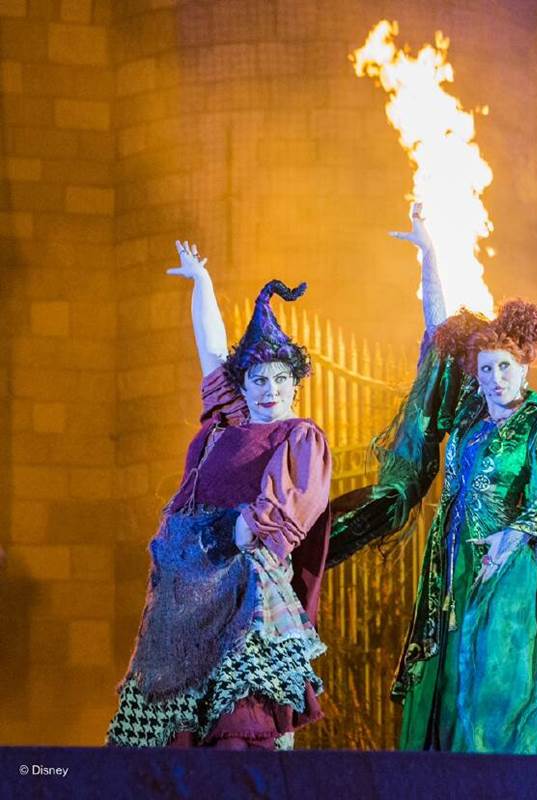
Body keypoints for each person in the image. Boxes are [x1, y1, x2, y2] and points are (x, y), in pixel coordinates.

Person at [328, 205, 537, 753]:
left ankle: (501, 783)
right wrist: (429, 255)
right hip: (454, 562)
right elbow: (439, 330)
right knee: (449, 679)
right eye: (486, 369)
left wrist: (513, 537)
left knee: (494, 684)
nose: (494, 378)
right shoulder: (469, 415)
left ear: (525, 368)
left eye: (505, 368)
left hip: (510, 571)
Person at [107, 241, 331, 750]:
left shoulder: (298, 436)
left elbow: (285, 508)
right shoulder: (227, 423)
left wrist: (224, 538)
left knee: (236, 716)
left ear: (295, 386)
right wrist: (202, 282)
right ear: (243, 386)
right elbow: (211, 354)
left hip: (241, 580)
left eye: (280, 379)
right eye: (258, 379)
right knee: (175, 714)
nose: (269, 390)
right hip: (186, 584)